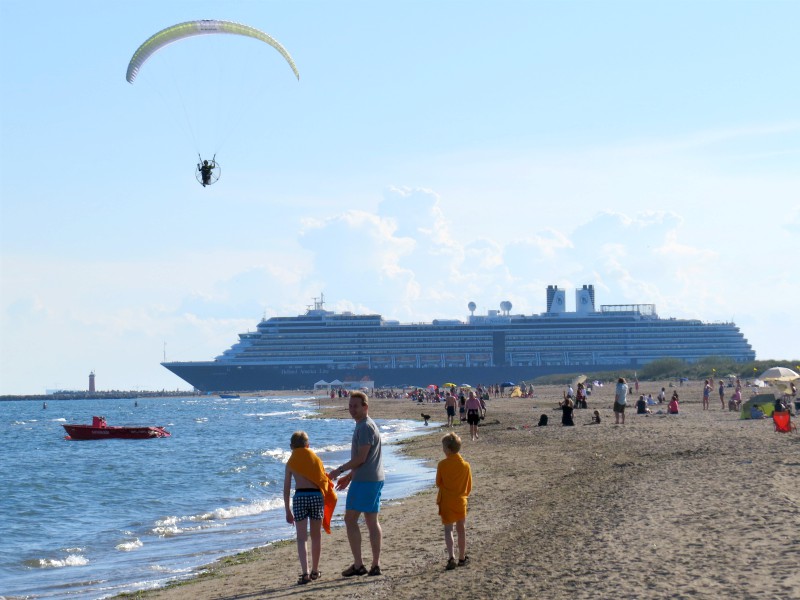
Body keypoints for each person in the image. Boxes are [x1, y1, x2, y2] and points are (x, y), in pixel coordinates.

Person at [329, 392, 384, 577]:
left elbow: (361, 458)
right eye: (350, 406)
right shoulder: (365, 425)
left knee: (350, 519)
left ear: (365, 407)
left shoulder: (365, 427)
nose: (352, 409)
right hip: (371, 478)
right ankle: (374, 564)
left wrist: (339, 471)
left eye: (356, 406)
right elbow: (366, 459)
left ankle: (360, 564)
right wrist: (350, 476)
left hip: (366, 481)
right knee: (371, 521)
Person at [284, 431, 338, 585]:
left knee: (301, 539)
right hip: (315, 497)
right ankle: (315, 570)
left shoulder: (291, 462)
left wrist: (287, 510)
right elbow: (323, 480)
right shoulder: (316, 459)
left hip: (300, 497)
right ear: (308, 445)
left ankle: (305, 573)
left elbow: (286, 488)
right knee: (316, 536)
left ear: (291, 447)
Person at [436, 432, 472, 570]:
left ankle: (451, 557)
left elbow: (438, 483)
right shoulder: (466, 466)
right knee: (461, 529)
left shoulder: (442, 465)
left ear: (448, 449)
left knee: (448, 529)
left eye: (443, 447)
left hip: (446, 501)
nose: (442, 450)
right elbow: (469, 487)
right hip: (460, 500)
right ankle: (462, 557)